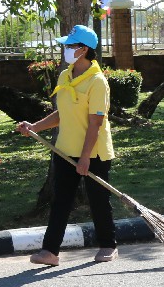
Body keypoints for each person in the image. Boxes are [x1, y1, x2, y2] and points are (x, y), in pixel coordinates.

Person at [16, 25, 117, 266]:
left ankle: (108, 246)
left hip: (94, 152)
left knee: (98, 200)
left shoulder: (97, 82)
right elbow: (61, 114)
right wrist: (34, 127)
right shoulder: (65, 76)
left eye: (71, 46)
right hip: (64, 149)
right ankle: (50, 252)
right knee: (60, 201)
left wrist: (85, 157)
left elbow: (95, 123)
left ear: (84, 49)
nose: (66, 49)